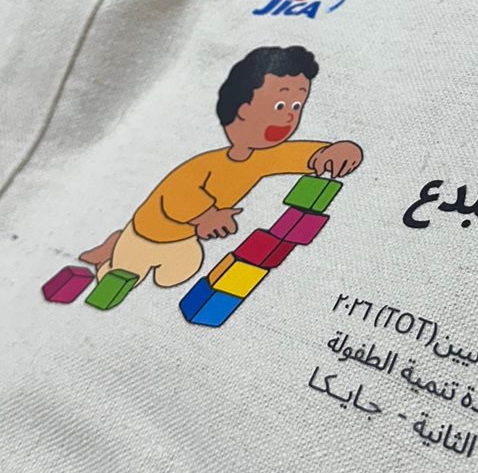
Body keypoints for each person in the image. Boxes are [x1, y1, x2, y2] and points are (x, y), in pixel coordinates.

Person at [81, 45, 363, 295]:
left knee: (174, 277)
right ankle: (115, 247)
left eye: (297, 106)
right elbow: (175, 197)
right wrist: (205, 215)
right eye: (280, 104)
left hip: (183, 239)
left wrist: (330, 151)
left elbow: (291, 155)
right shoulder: (205, 165)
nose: (290, 115)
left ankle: (118, 245)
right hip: (146, 231)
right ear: (241, 108)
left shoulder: (260, 158)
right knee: (120, 279)